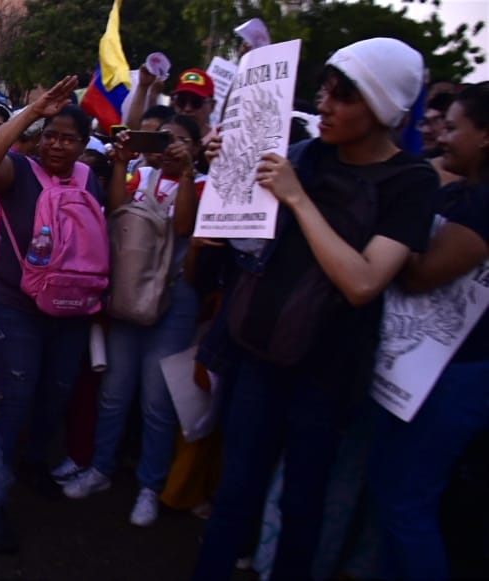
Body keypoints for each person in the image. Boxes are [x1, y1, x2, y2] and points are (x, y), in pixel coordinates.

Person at [192, 38, 437, 580]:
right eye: (325, 91)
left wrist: (299, 199)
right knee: (234, 496)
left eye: (344, 96)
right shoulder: (304, 154)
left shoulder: (411, 182)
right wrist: (229, 170)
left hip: (327, 371)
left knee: (301, 506)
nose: (324, 104)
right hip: (259, 352)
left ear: (382, 107)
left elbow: (363, 282)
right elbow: (242, 240)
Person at [0, 76, 104, 552]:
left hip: (72, 310)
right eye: (50, 135)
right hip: (18, 308)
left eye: (68, 138)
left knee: (55, 395)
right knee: (14, 403)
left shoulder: (91, 179)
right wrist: (31, 112)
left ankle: (33, 466)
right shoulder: (20, 173)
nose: (57, 145)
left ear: (84, 145)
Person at [368, 81, 489, 580]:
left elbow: (419, 275)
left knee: (408, 505)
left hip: (454, 376)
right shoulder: (464, 191)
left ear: (485, 136)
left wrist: (389, 236)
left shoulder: (483, 208)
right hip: (427, 367)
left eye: (455, 128)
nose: (442, 138)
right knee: (395, 496)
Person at [63, 115, 204, 530]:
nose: (169, 148)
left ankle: (149, 486)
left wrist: (190, 168)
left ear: (193, 147)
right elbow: (115, 215)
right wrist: (123, 162)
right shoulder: (140, 174)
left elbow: (182, 227)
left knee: (157, 401)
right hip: (128, 291)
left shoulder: (201, 184)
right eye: (164, 140)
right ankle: (101, 470)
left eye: (179, 142)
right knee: (114, 390)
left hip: (174, 300)